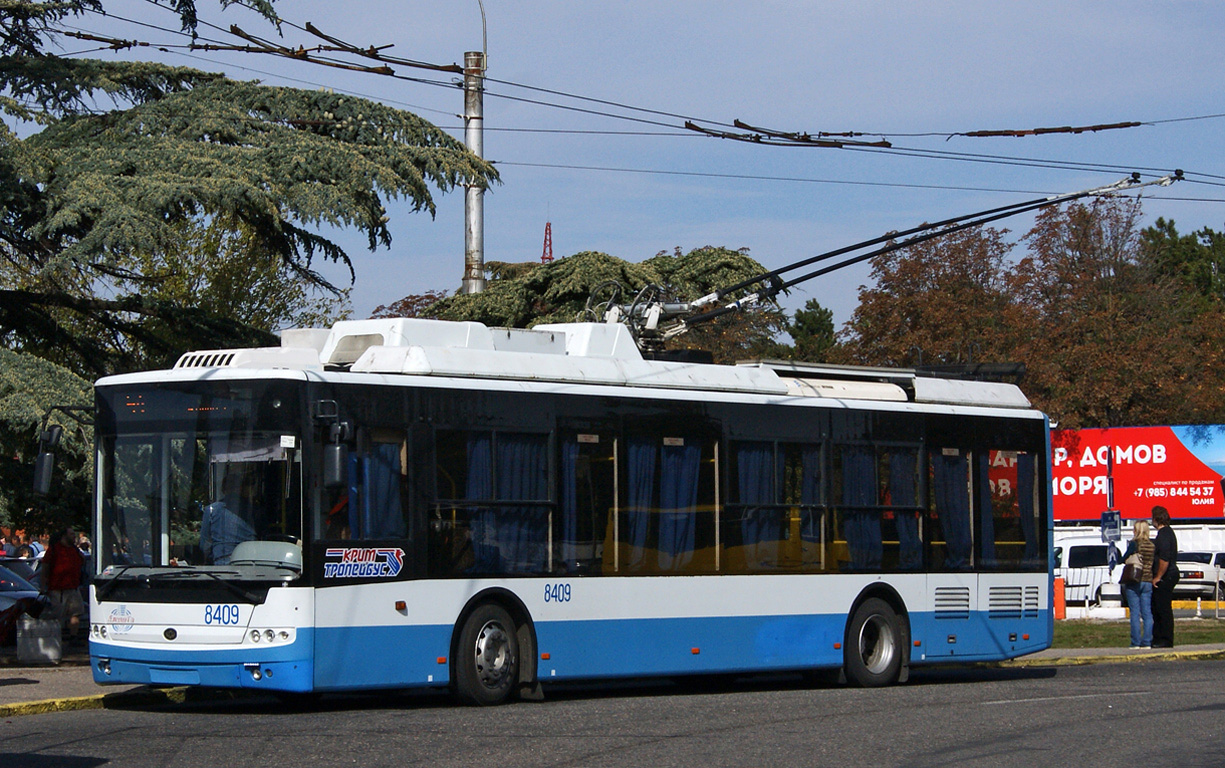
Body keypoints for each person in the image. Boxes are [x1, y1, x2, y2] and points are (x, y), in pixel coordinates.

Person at [40, 527, 85, 644]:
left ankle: (73, 637)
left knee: (76, 613)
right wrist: (43, 586)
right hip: (58, 589)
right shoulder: (54, 550)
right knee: (58, 616)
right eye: (71, 534)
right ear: (64, 536)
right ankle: (55, 640)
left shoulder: (75, 550)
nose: (74, 537)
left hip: (73, 588)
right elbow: (45, 568)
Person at [200, 473, 256, 565]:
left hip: (221, 564)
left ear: (223, 490)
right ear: (241, 489)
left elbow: (204, 545)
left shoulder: (211, 510)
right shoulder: (254, 510)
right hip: (250, 562)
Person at [1121, 519, 1155, 649]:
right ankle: (1147, 641)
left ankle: (1135, 642)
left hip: (1134, 579)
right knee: (1147, 612)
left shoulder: (1134, 544)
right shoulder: (1151, 545)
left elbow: (1124, 558)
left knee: (1135, 612)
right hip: (1148, 580)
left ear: (1136, 530)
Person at [1150, 506, 1179, 648]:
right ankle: (1157, 638)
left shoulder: (1164, 534)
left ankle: (1165, 639)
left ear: (1156, 519)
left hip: (1166, 576)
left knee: (1163, 608)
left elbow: (1164, 558)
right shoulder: (1167, 533)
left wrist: (1158, 576)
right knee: (1156, 607)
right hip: (1168, 574)